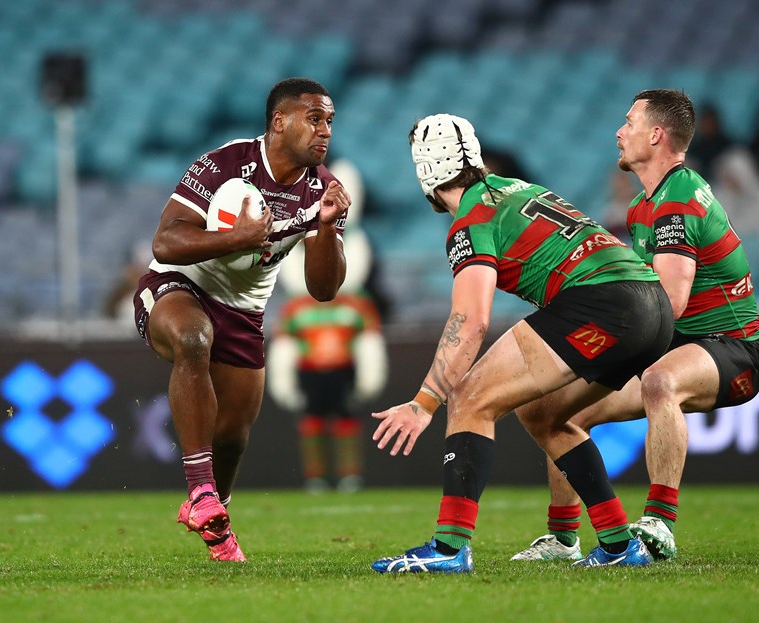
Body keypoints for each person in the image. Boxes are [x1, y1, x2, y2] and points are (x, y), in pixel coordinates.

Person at [370, 113, 674, 574]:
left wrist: (423, 402)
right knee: (544, 413)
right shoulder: (516, 188)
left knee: (469, 397)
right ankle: (617, 543)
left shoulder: (471, 220)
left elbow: (470, 322)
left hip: (603, 301)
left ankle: (450, 548)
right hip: (652, 305)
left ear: (425, 172)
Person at [510, 89, 759, 562]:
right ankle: (563, 539)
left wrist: (605, 344)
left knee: (660, 382)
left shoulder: (679, 198)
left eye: (629, 122)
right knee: (558, 410)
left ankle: (660, 522)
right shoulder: (643, 206)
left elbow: (671, 303)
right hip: (679, 341)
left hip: (734, 347)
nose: (620, 132)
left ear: (656, 134)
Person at [132, 77, 350, 562]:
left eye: (330, 121)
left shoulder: (324, 190)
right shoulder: (224, 164)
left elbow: (324, 289)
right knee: (193, 337)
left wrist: (328, 225)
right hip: (177, 286)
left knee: (233, 435)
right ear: (280, 121)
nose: (325, 131)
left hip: (245, 311)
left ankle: (215, 521)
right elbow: (166, 242)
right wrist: (239, 238)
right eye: (314, 119)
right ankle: (199, 492)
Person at [267, 159, 387, 493]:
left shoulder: (356, 305)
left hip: (342, 369)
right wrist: (284, 380)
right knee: (312, 424)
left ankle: (350, 475)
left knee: (347, 423)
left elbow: (368, 338)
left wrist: (368, 374)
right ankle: (316, 477)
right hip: (311, 371)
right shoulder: (296, 308)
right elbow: (285, 342)